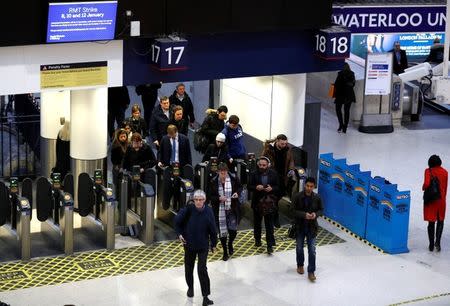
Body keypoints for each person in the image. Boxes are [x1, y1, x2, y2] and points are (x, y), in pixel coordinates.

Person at [174, 189, 217, 306]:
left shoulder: (209, 211)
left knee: (202, 269)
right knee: (189, 268)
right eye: (196, 200)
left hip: (203, 245)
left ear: (204, 200)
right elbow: (177, 221)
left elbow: (213, 228)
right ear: (193, 200)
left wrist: (214, 244)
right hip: (189, 245)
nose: (198, 202)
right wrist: (179, 234)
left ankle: (205, 296)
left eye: (201, 200)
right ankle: (190, 288)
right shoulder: (188, 209)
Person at [290, 177, 323, 282]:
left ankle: (311, 271)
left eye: (311, 186)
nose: (309, 188)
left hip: (312, 227)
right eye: (307, 186)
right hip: (299, 226)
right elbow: (292, 210)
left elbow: (321, 210)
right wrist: (304, 215)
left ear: (314, 187)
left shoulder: (317, 198)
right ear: (305, 185)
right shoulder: (297, 196)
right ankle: (300, 265)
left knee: (312, 250)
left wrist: (315, 214)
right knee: (299, 248)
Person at [209, 163, 242, 261]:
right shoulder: (213, 181)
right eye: (221, 172)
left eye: (225, 172)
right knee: (222, 233)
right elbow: (210, 196)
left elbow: (240, 187)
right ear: (218, 172)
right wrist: (219, 198)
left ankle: (230, 243)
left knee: (233, 231)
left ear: (227, 171)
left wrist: (237, 193)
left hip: (232, 209)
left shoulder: (233, 178)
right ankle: (225, 251)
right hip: (220, 210)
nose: (223, 174)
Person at [262, 134, 296, 227]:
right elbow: (263, 160)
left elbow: (291, 160)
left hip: (283, 177)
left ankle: (273, 215)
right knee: (273, 198)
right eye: (282, 143)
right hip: (272, 178)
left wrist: (291, 169)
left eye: (285, 143)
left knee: (277, 197)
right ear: (277, 141)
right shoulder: (269, 149)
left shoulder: (288, 149)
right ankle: (274, 217)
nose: (284, 145)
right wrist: (266, 167)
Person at [248, 156, 279, 254]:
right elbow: (249, 186)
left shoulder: (273, 174)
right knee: (257, 224)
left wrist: (272, 189)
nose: (262, 167)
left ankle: (269, 245)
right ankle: (257, 240)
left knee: (269, 225)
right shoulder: (253, 174)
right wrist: (256, 187)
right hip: (257, 202)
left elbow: (278, 187)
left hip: (269, 203)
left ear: (268, 165)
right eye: (260, 165)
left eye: (264, 165)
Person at [423, 155, 448, 252]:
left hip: (431, 200)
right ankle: (438, 242)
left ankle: (431, 244)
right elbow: (445, 187)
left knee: (431, 222)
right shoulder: (445, 172)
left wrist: (423, 188)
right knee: (440, 220)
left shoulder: (428, 171)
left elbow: (426, 184)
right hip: (441, 199)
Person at [333, 63, 356, 134]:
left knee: (338, 109)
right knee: (347, 111)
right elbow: (353, 85)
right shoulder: (352, 74)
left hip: (341, 95)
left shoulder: (340, 74)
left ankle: (341, 125)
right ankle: (345, 127)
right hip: (349, 95)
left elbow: (336, 84)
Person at [111, 128, 128, 196]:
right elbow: (113, 159)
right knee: (117, 185)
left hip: (124, 167)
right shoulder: (115, 146)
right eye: (121, 137)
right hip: (117, 168)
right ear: (118, 137)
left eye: (124, 136)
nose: (123, 138)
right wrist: (118, 166)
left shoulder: (127, 144)